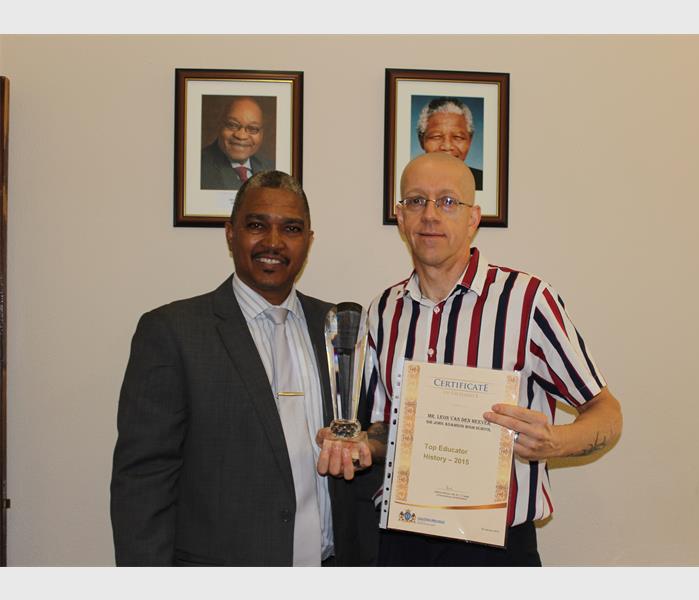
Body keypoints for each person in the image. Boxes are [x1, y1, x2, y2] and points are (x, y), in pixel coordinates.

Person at [318, 152, 622, 566]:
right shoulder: (384, 310)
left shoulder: (526, 301)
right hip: (402, 544)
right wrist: (358, 444)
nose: (430, 215)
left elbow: (607, 412)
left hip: (497, 551)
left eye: (447, 202)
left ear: (473, 218)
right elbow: (385, 428)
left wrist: (554, 441)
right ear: (401, 217)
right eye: (416, 201)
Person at [111, 171, 373, 566]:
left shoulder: (339, 328)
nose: (273, 242)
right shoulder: (173, 333)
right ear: (230, 233)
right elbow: (142, 482)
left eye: (291, 228)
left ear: (309, 240)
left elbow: (368, 440)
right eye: (256, 225)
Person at [200, 96, 275, 190]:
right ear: (219, 126)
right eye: (232, 125)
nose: (241, 136)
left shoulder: (271, 168)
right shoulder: (199, 168)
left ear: (262, 133)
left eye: (252, 128)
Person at [417, 97, 483, 190]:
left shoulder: (483, 180)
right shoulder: (410, 179)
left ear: (470, 141)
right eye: (436, 137)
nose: (447, 146)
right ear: (421, 141)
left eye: (458, 137)